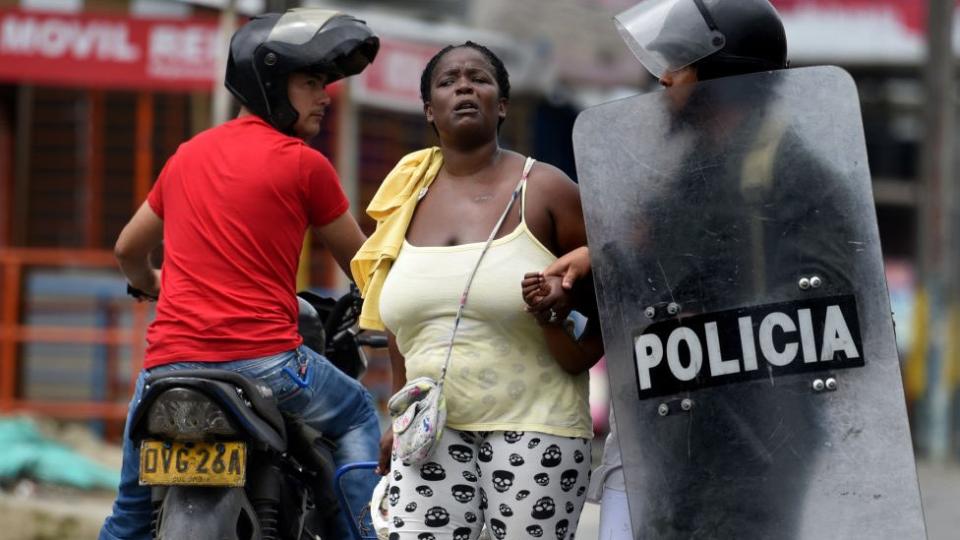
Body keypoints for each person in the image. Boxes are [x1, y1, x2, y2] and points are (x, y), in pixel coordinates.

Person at [525, 0, 854, 538]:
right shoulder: (686, 178)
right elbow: (649, 279)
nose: (665, 80)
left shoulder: (794, 173)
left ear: (720, 78)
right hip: (674, 432)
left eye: (678, 65)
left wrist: (722, 312)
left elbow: (830, 306)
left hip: (757, 439)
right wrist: (591, 270)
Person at [99, 10, 381, 540]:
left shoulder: (186, 155)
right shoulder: (304, 164)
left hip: (166, 370)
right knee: (359, 413)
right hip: (269, 364)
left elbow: (127, 248)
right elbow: (365, 266)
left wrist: (150, 284)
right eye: (312, 82)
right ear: (272, 83)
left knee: (128, 518)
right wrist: (390, 308)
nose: (325, 96)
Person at [351, 41, 604, 540]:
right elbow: (402, 327)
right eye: (447, 82)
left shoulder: (547, 190)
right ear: (429, 110)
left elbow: (610, 305)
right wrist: (397, 417)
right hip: (430, 436)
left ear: (502, 105)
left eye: (479, 78)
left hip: (536, 429)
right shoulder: (406, 196)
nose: (464, 86)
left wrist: (556, 315)